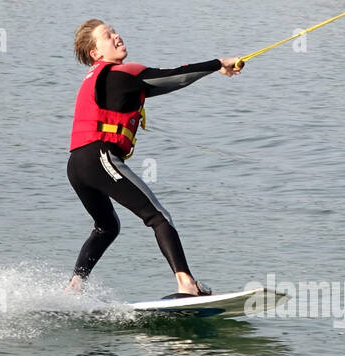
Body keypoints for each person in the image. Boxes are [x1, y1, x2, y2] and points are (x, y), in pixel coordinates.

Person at [65, 20, 242, 297]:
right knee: (159, 217)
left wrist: (212, 69)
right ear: (95, 53)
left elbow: (166, 83)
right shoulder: (121, 74)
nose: (117, 36)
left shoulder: (102, 78)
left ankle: (74, 287)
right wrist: (218, 63)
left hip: (77, 165)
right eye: (108, 35)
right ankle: (186, 284)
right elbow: (174, 76)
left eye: (115, 31)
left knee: (107, 226)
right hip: (100, 157)